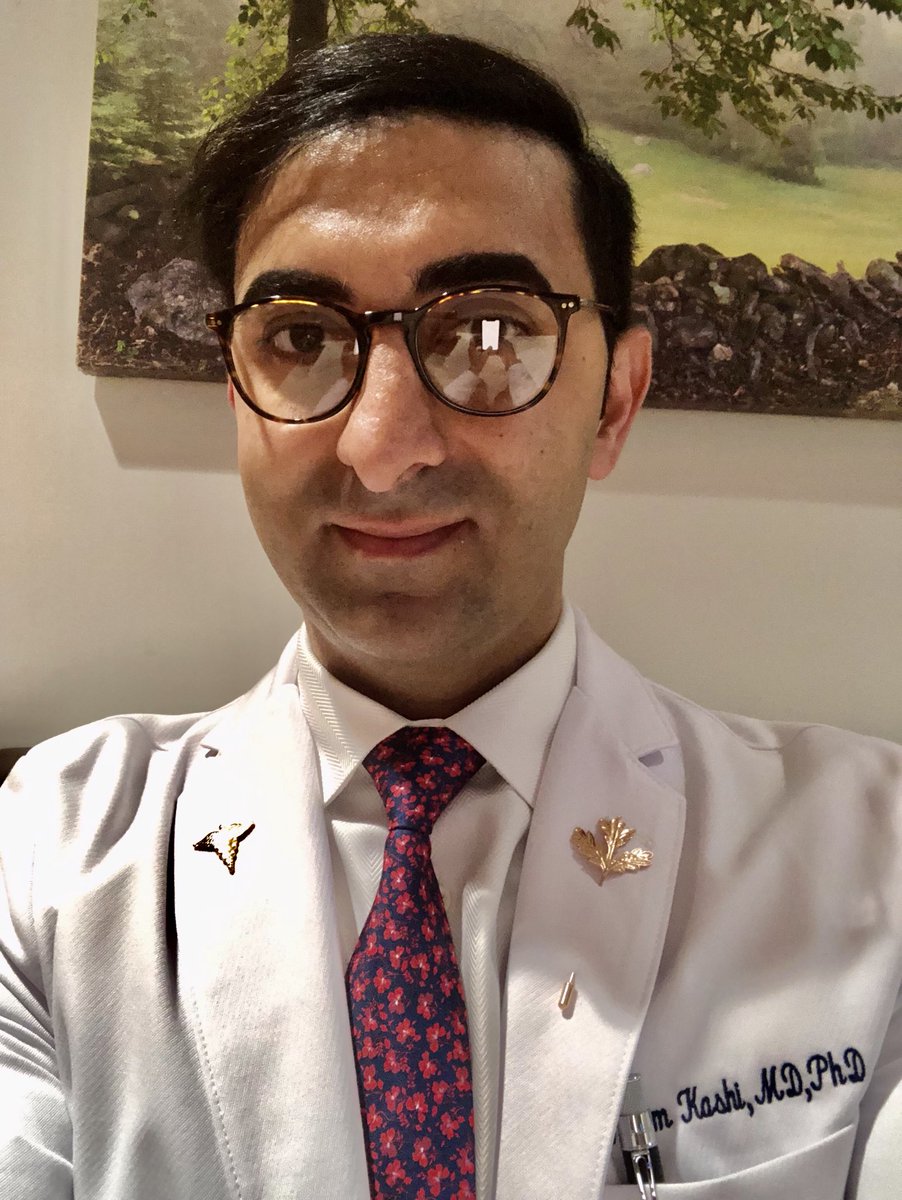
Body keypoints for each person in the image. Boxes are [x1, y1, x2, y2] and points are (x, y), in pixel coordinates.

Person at [1, 31, 900, 1200]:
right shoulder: (50, 854)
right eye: (300, 338)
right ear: (237, 392)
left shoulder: (868, 859)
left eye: (487, 333)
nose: (381, 449)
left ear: (614, 402)